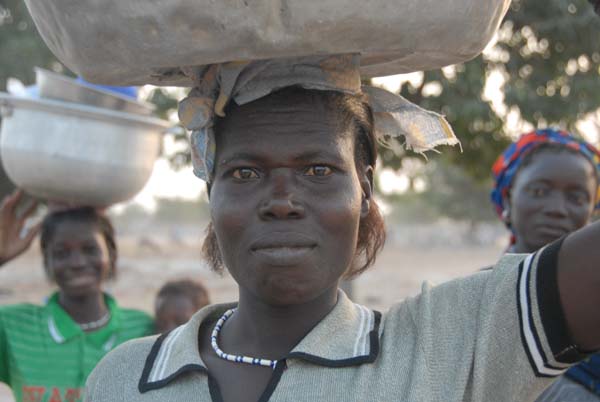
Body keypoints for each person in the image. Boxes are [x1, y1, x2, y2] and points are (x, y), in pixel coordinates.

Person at [85, 55, 600, 402]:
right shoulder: (124, 378)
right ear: (210, 194)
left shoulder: (444, 348)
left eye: (319, 171)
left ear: (365, 190)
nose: (282, 202)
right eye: (246, 173)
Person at [0, 190, 154, 402]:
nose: (77, 262)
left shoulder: (144, 329)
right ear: (47, 261)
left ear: (110, 253)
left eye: (90, 249)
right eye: (61, 253)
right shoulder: (13, 326)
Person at [491, 128, 600, 401]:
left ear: (592, 211)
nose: (557, 209)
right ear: (508, 199)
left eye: (576, 197)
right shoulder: (477, 299)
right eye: (539, 191)